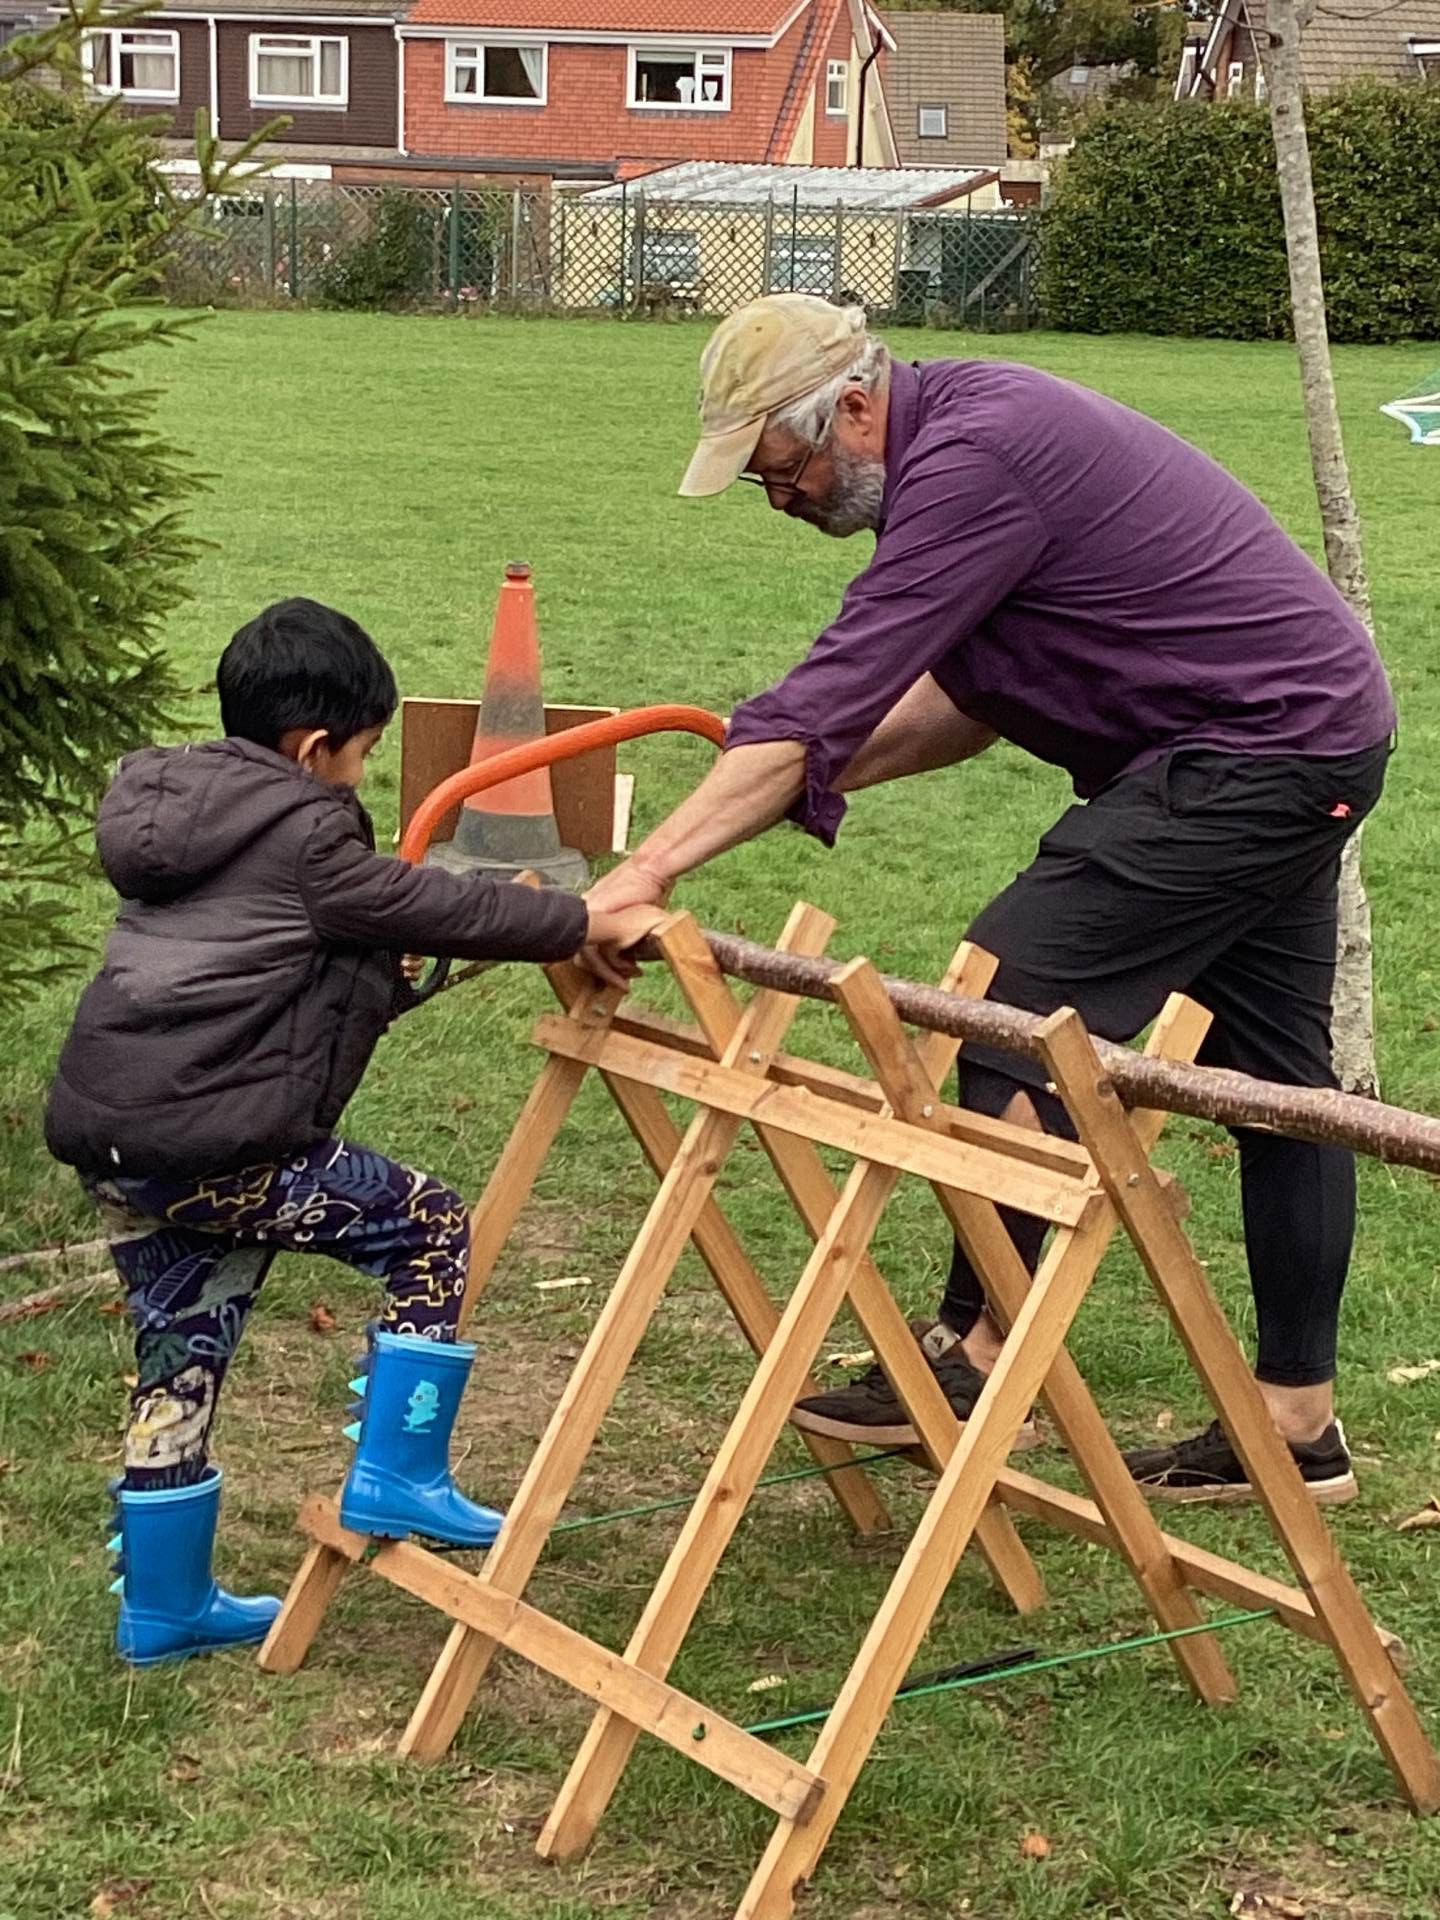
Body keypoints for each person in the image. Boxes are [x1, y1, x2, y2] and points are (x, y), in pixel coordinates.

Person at [581, 294, 1395, 1508]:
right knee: (1280, 1086)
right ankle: (1295, 1429)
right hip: (1300, 738)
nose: (780, 498)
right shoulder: (960, 445)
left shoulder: (975, 461)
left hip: (1250, 756)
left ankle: (974, 1352)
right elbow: (962, 705)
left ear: (856, 409)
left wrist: (649, 869)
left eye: (784, 468)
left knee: (1010, 1001)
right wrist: (802, 770)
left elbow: (833, 690)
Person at [45, 598, 663, 1665]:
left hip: (118, 1138)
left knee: (182, 1347)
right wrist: (580, 918)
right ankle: (400, 1471)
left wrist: (399, 964)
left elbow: (305, 954)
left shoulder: (182, 819)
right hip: (220, 1142)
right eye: (366, 754)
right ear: (314, 747)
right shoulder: (306, 830)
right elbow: (435, 904)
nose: (363, 777)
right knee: (428, 1226)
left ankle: (165, 1607)